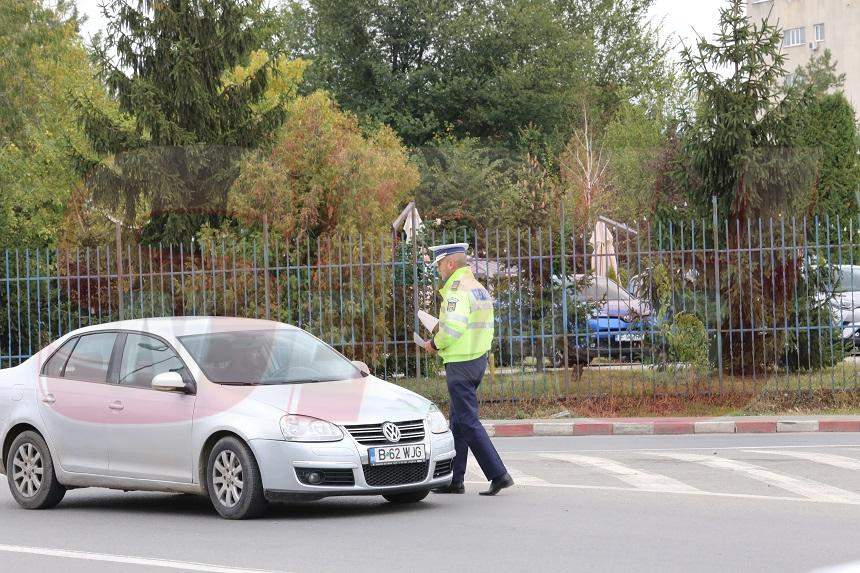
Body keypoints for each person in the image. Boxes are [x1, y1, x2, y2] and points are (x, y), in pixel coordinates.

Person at [420, 242, 513, 496]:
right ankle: (454, 479)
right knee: (458, 420)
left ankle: (498, 474)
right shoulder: (478, 288)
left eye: (439, 265)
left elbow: (453, 329)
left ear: (450, 263)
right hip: (477, 359)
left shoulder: (456, 291)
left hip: (460, 361)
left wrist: (434, 343)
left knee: (468, 421)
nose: (438, 271)